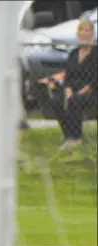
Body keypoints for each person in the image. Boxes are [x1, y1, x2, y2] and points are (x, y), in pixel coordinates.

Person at [47, 19, 97, 150]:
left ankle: (76, 139)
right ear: (77, 34)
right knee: (56, 101)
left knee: (75, 100)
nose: (84, 33)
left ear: (92, 34)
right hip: (73, 90)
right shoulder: (73, 54)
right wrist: (68, 91)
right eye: (81, 30)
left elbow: (95, 80)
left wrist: (81, 92)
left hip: (92, 92)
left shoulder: (95, 53)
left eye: (87, 30)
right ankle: (68, 136)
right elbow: (68, 77)